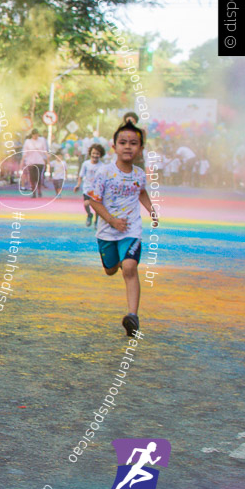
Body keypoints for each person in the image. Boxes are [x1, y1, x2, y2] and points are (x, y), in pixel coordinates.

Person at [85, 121, 158, 337]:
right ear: (114, 147)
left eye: (133, 143)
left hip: (131, 230)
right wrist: (111, 220)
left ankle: (132, 316)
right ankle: (114, 262)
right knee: (110, 270)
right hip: (107, 232)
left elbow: (141, 192)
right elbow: (93, 201)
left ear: (141, 149)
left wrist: (151, 210)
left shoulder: (139, 174)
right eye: (123, 142)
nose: (128, 147)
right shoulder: (104, 173)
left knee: (129, 267)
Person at [74, 143, 106, 227]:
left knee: (97, 207)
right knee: (86, 204)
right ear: (90, 153)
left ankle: (96, 221)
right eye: (93, 153)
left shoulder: (102, 166)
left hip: (97, 190)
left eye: (97, 154)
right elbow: (81, 176)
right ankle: (89, 215)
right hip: (87, 189)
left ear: (100, 155)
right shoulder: (86, 164)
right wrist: (78, 185)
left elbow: (104, 178)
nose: (95, 155)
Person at [22, 129, 48, 198]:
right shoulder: (28, 142)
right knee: (32, 177)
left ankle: (39, 191)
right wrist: (22, 160)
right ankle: (33, 192)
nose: (35, 136)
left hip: (40, 161)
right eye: (34, 135)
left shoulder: (42, 140)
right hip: (31, 161)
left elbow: (45, 149)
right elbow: (25, 152)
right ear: (32, 135)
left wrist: (47, 156)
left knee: (38, 177)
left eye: (37, 134)